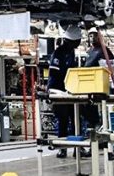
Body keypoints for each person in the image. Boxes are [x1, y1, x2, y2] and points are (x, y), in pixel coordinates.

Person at [47, 25, 81, 158]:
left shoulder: (71, 51)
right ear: (72, 40)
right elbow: (55, 74)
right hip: (58, 91)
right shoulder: (59, 52)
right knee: (63, 120)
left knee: (75, 119)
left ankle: (77, 148)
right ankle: (62, 147)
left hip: (70, 91)